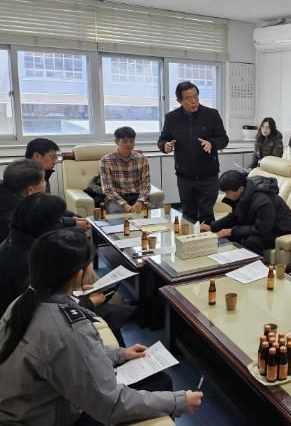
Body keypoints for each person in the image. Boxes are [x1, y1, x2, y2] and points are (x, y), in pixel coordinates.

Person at [0, 229, 202, 424]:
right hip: (45, 417)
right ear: (78, 275)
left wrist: (121, 354)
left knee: (157, 380)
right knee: (161, 383)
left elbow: (69, 354)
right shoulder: (68, 328)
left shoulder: (24, 301)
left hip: (26, 407)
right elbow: (110, 405)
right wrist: (178, 402)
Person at [0, 193, 134, 344]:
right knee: (110, 313)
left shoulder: (17, 241)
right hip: (29, 326)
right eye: (58, 221)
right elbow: (41, 309)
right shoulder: (28, 261)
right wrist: (88, 302)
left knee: (111, 309)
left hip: (39, 312)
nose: (61, 224)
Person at [158, 81, 229, 224]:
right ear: (179, 100)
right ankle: (189, 239)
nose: (194, 101)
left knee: (207, 215)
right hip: (185, 177)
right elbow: (162, 140)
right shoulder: (172, 118)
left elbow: (223, 139)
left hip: (208, 176)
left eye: (196, 96)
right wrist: (165, 146)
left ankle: (207, 239)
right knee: (188, 215)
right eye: (188, 98)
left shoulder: (211, 114)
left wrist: (212, 143)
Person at [200, 170, 291, 256]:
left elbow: (262, 229)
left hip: (282, 230)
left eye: (228, 192)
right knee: (227, 235)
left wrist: (232, 231)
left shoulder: (262, 201)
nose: (226, 195)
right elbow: (235, 216)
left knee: (251, 241)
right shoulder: (243, 193)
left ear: (240, 188)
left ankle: (258, 267)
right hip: (264, 225)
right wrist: (212, 227)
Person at [25, 138, 90, 230]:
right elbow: (39, 215)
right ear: (37, 156)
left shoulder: (42, 174)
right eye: (52, 157)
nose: (55, 161)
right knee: (76, 230)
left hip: (43, 221)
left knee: (78, 220)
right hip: (32, 227)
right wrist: (72, 221)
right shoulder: (27, 178)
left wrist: (72, 216)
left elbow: (49, 207)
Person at [100, 126, 152, 214]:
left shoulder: (142, 159)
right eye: (125, 141)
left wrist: (140, 201)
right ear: (116, 142)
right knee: (119, 212)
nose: (128, 144)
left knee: (152, 211)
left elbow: (146, 185)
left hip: (137, 197)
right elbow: (107, 189)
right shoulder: (106, 160)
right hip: (115, 199)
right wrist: (124, 205)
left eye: (131, 141)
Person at [0, 159, 46, 243]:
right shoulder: (19, 221)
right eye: (43, 180)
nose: (45, 183)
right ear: (31, 190)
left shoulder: (7, 195)